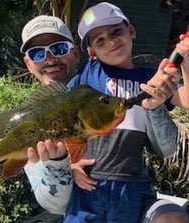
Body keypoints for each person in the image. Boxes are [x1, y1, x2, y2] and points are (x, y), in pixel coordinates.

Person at [20, 9, 189, 223]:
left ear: (77, 54)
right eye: (38, 53)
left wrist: (184, 61)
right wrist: (66, 166)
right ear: (92, 51)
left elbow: (171, 136)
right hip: (87, 194)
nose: (50, 59)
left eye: (59, 48)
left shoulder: (145, 77)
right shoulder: (35, 117)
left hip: (131, 187)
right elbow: (52, 203)